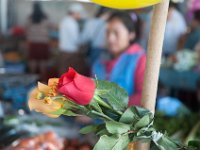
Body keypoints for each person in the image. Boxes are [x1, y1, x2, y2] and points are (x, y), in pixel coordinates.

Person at [92, 11, 146, 106]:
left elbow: (144, 97)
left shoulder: (140, 60)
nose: (110, 38)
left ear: (131, 34)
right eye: (108, 32)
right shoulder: (100, 60)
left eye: (116, 33)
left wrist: (107, 109)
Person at [25, 2, 53, 79]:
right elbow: (51, 26)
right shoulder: (45, 17)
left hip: (33, 42)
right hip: (43, 43)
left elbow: (26, 29)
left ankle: (32, 78)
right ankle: (42, 80)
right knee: (43, 61)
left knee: (32, 61)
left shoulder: (30, 17)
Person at [59, 3, 86, 75]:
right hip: (71, 52)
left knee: (63, 71)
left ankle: (61, 86)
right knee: (70, 73)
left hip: (63, 51)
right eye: (79, 13)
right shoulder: (72, 23)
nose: (80, 15)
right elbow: (76, 40)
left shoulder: (64, 20)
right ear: (75, 13)